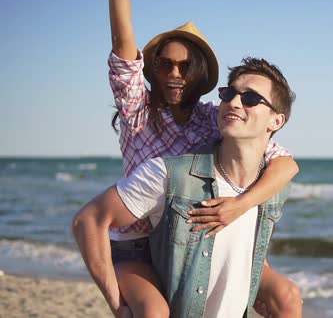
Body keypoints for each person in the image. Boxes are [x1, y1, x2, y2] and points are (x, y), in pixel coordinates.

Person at [106, 0, 301, 316]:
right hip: (139, 247)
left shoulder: (213, 117)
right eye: (165, 64)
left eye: (184, 66)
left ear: (199, 72)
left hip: (192, 236)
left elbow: (286, 164)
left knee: (287, 297)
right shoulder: (137, 109)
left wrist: (241, 205)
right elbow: (123, 48)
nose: (174, 74)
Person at [74, 57, 297, 317]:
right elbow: (88, 220)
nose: (234, 102)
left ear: (276, 121)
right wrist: (117, 305)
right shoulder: (169, 175)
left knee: (288, 295)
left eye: (250, 98)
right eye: (229, 94)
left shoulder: (274, 187)